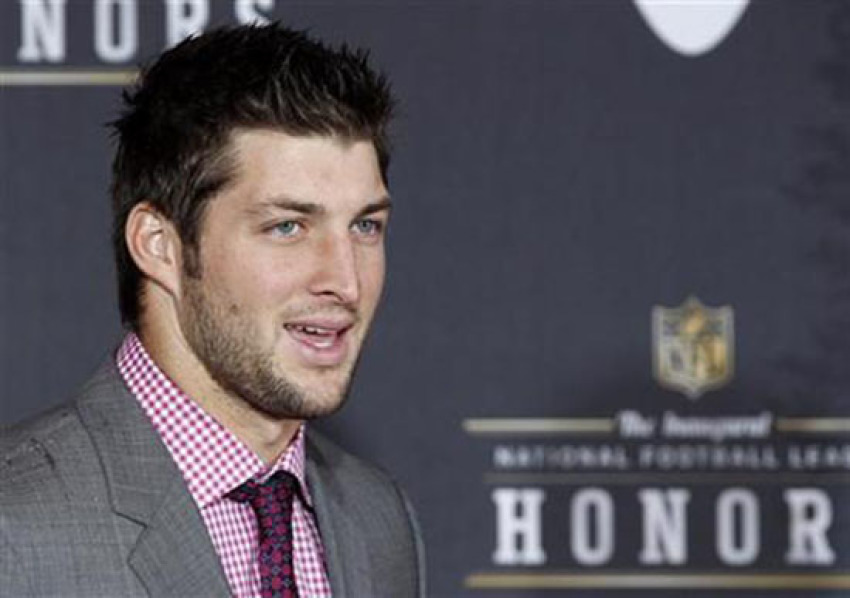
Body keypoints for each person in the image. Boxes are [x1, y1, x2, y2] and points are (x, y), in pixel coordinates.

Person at [0, 23, 425, 598]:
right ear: (161, 245)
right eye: (287, 227)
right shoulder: (17, 530)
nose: (345, 280)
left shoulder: (378, 520)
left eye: (365, 226)